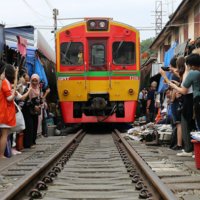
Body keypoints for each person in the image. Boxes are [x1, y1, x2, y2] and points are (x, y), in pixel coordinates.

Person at [169, 53, 200, 134]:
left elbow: (184, 90)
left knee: (198, 126)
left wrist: (174, 86)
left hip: (197, 100)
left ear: (192, 66)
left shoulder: (193, 73)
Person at [160, 57, 183, 150]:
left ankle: (178, 144)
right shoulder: (179, 74)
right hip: (180, 100)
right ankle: (178, 144)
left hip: (177, 101)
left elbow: (174, 89)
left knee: (177, 123)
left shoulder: (177, 74)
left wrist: (172, 100)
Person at [0, 65, 17, 158]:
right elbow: (9, 98)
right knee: (4, 134)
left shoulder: (3, 81)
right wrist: (14, 91)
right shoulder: (5, 82)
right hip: (4, 112)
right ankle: (1, 155)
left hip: (2, 111)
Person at [22, 74, 43, 148]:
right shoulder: (28, 88)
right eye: (32, 81)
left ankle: (33, 142)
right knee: (29, 126)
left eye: (36, 81)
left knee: (34, 126)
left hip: (35, 110)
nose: (34, 82)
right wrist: (34, 106)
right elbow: (27, 100)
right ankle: (28, 144)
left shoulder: (38, 89)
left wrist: (39, 101)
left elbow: (41, 100)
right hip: (28, 110)